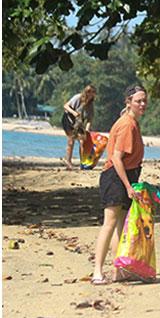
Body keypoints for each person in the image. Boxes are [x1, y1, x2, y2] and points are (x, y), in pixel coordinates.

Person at [90, 86, 147, 284]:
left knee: (121, 226)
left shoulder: (133, 123)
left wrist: (132, 184)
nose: (142, 104)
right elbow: (116, 157)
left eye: (144, 101)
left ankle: (118, 270)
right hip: (115, 177)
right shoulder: (127, 125)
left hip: (127, 175)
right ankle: (97, 271)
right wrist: (129, 187)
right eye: (138, 101)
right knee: (110, 223)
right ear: (128, 102)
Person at [62, 85, 96, 170]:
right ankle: (68, 162)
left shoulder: (90, 105)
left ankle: (83, 163)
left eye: (92, 93)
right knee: (71, 141)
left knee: (82, 141)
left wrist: (87, 129)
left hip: (79, 122)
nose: (90, 94)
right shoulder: (77, 97)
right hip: (69, 119)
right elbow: (66, 106)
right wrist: (74, 113)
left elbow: (89, 119)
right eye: (89, 92)